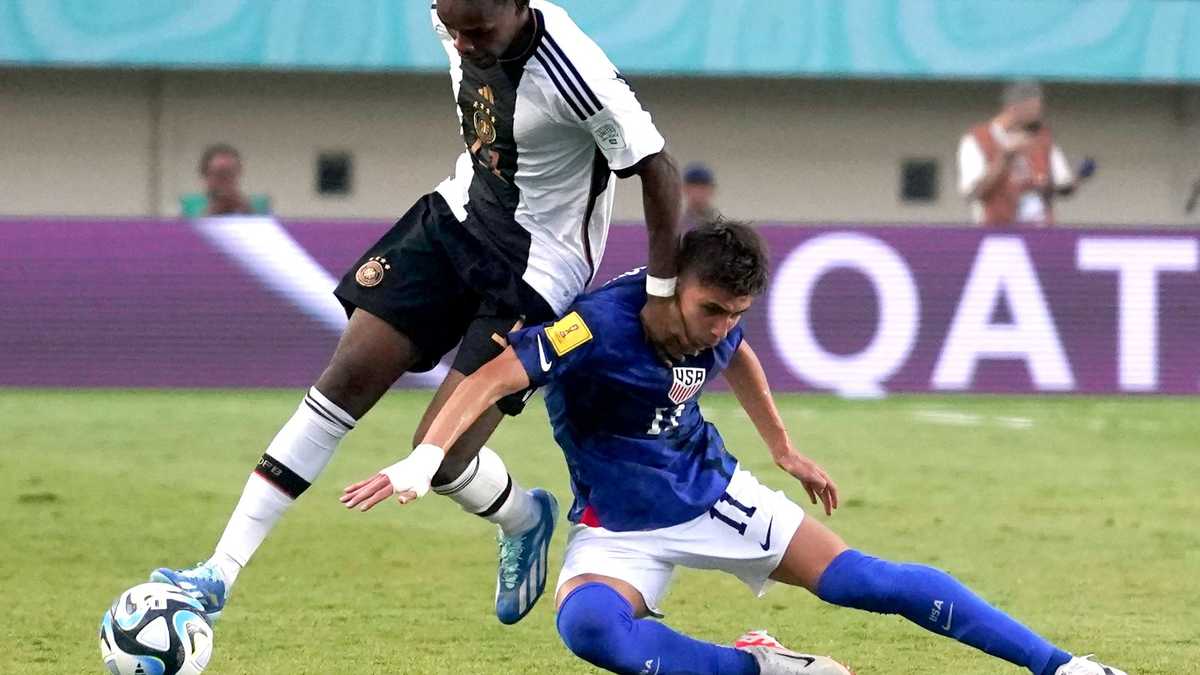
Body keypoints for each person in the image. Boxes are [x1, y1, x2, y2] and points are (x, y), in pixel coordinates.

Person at [344, 220, 1128, 675]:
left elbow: (740, 356)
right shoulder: (596, 325)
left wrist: (782, 446)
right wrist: (425, 457)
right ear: (670, 284)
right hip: (617, 524)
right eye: (712, 308)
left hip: (714, 494)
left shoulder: (717, 325)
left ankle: (1064, 666)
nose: (721, 325)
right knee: (589, 633)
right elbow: (488, 379)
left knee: (864, 581)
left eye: (736, 310)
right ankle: (762, 665)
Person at [152, 0, 704, 627]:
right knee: (343, 382)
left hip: (535, 270)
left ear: (519, 9)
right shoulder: (452, 15)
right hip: (455, 220)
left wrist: (661, 294)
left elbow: (657, 168)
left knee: (437, 456)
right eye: (454, 27)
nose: (463, 43)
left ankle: (524, 516)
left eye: (479, 31)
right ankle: (216, 574)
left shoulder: (574, 73)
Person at [958, 81, 1094, 226]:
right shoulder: (978, 139)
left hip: (1040, 234)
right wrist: (1004, 158)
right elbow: (974, 193)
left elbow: (1061, 184)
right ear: (1014, 106)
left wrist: (1078, 177)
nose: (1038, 113)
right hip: (996, 233)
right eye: (1033, 107)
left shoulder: (1043, 139)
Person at [180, 144, 272, 217]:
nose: (225, 181)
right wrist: (211, 212)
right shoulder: (187, 205)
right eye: (219, 175)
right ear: (205, 175)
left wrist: (247, 211)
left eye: (231, 174)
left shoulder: (259, 205)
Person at [682, 162, 720, 228]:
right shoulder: (676, 226)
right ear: (685, 189)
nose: (698, 192)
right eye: (694, 187)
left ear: (712, 189)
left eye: (703, 187)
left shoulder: (719, 226)